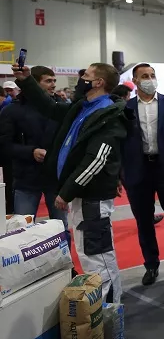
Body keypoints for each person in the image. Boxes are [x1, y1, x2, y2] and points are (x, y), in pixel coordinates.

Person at [12, 62, 130, 303]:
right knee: (89, 255)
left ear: (98, 82)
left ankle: (109, 312)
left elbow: (96, 160)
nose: (81, 78)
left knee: (98, 258)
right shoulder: (83, 107)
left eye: (86, 75)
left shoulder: (108, 115)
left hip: (92, 196)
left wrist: (66, 191)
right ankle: (103, 311)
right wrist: (26, 81)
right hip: (82, 195)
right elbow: (50, 107)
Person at [121, 63, 164, 286]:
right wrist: (121, 173)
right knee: (144, 221)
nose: (150, 79)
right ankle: (151, 265)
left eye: (152, 75)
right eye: (144, 76)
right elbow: (120, 142)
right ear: (135, 80)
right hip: (138, 170)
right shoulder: (125, 108)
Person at [0, 66, 67, 225]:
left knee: (61, 228)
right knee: (23, 228)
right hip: (26, 179)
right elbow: (4, 145)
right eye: (48, 81)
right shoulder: (11, 110)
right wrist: (31, 152)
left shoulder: (61, 108)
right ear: (34, 83)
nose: (53, 85)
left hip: (56, 178)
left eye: (54, 81)